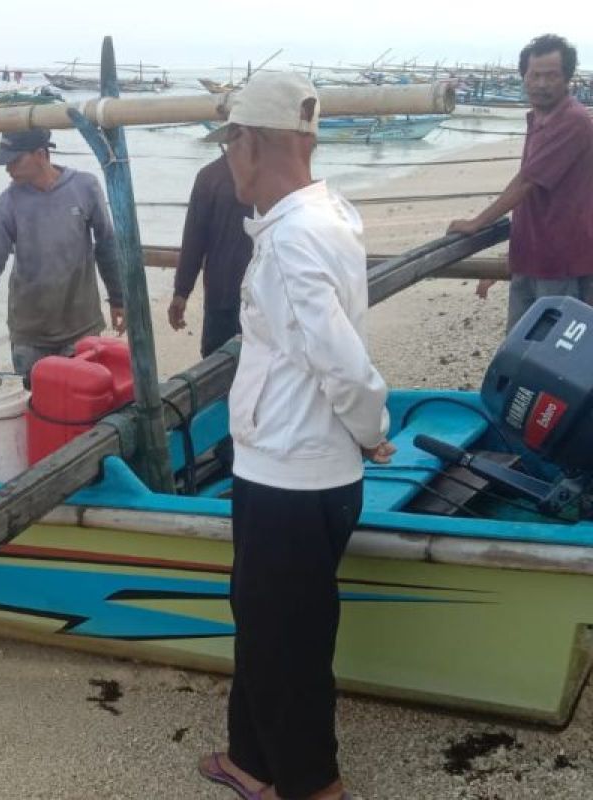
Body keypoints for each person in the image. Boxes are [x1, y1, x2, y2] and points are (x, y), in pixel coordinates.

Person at [199, 73, 395, 800]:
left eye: (229, 145)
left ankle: (314, 787)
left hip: (292, 478)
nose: (227, 162)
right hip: (289, 469)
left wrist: (372, 428)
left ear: (249, 143)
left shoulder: (289, 241)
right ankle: (251, 761)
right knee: (262, 622)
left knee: (287, 648)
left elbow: (340, 359)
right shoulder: (327, 213)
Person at [0, 128, 125, 381]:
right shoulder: (4, 207)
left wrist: (118, 299)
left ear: (41, 154)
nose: (8, 168)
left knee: (85, 403)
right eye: (5, 162)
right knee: (36, 408)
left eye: (14, 160)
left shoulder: (85, 187)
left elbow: (106, 243)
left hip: (83, 329)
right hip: (30, 337)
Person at [448, 34, 593, 331]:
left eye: (551, 76)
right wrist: (509, 258)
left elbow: (528, 181)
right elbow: (528, 189)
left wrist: (477, 222)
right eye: (534, 75)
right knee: (519, 345)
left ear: (567, 78)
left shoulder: (573, 120)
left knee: (552, 354)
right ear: (524, 78)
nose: (541, 83)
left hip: (560, 261)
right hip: (531, 255)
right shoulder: (540, 118)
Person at [167, 154, 253, 357]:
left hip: (232, 293)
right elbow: (194, 238)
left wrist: (181, 292)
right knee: (219, 361)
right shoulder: (210, 176)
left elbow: (194, 238)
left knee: (220, 363)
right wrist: (181, 291)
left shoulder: (210, 176)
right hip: (225, 294)